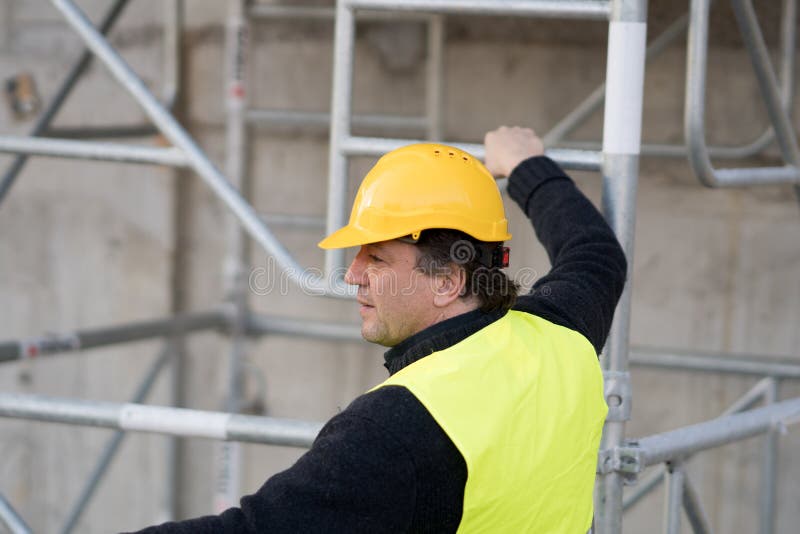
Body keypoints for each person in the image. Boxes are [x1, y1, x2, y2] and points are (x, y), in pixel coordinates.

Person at [130, 126, 626, 533]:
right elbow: (596, 254)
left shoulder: (396, 427)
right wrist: (526, 165)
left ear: (448, 280)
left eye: (378, 257)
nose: (352, 274)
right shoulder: (563, 334)